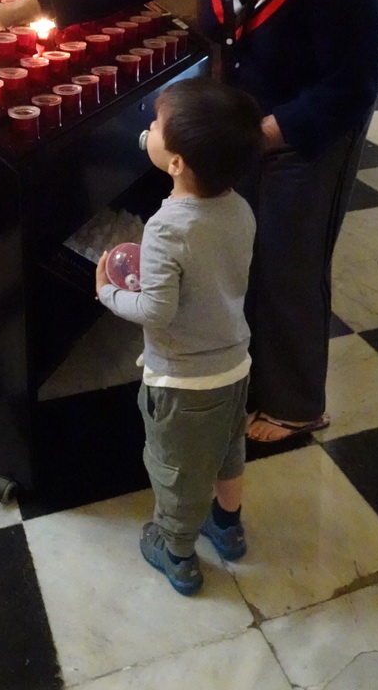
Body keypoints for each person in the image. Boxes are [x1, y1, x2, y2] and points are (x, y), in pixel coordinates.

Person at [0, 0, 378, 445]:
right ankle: (231, 374)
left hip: (306, 131)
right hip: (233, 121)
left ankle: (296, 403)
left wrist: (259, 138)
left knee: (286, 261)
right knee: (230, 250)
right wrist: (26, 5)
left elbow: (347, 88)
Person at [97, 77, 262, 595]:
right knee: (227, 450)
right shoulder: (239, 207)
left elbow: (156, 310)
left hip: (182, 381)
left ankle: (176, 550)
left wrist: (107, 291)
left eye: (156, 128)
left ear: (176, 164)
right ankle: (228, 528)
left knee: (176, 468)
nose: (148, 130)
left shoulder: (168, 226)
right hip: (235, 363)